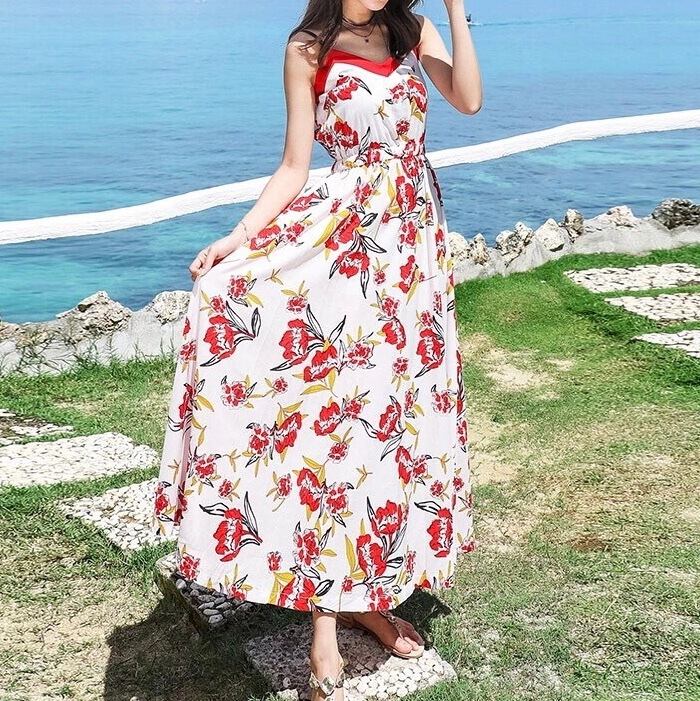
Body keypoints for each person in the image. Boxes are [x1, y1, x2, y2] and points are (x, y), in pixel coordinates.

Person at [152, 1, 482, 698]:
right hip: (345, 248)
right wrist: (236, 239)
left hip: (412, 254)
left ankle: (368, 594)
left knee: (392, 429)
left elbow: (469, 99)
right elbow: (294, 166)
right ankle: (327, 622)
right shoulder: (308, 47)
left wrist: (456, 9)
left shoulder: (412, 28)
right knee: (336, 426)